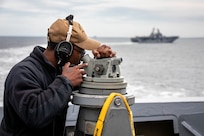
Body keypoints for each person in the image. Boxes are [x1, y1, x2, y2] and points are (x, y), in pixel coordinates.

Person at [0, 15, 116, 136]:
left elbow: (91, 85)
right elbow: (34, 114)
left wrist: (100, 63)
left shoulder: (60, 71)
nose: (81, 56)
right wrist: (65, 82)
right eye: (81, 51)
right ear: (66, 49)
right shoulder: (23, 73)